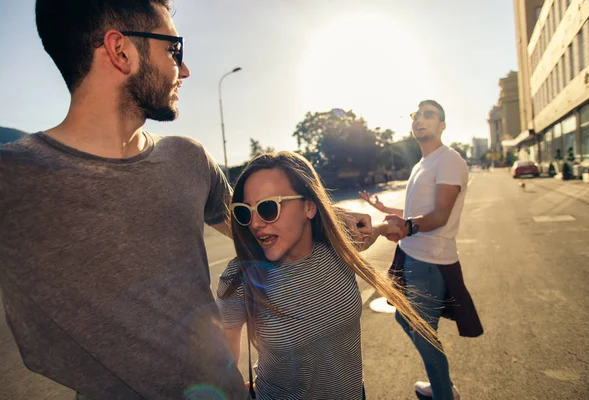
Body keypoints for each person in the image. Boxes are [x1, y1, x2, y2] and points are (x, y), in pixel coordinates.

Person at [0, 1, 246, 399]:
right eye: (173, 50)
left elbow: (259, 228)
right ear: (120, 51)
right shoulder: (12, 178)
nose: (183, 70)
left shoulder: (189, 157)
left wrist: (345, 224)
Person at [216, 151, 440, 400]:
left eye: (268, 208)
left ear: (309, 206)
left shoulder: (339, 246)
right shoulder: (239, 277)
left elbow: (371, 230)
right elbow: (223, 364)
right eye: (245, 212)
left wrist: (389, 226)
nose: (255, 223)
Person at [360, 100, 483, 400]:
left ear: (442, 125)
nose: (420, 120)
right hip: (410, 256)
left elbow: (440, 214)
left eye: (429, 115)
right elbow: (416, 210)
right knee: (406, 319)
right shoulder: (421, 164)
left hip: (429, 262)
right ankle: (442, 385)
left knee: (425, 336)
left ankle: (443, 392)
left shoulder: (449, 159)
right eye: (416, 115)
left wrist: (407, 227)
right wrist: (384, 208)